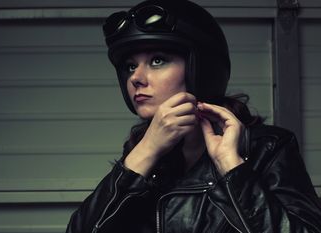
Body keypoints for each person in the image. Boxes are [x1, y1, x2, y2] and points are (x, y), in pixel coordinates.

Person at [66, 0, 321, 232]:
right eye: (130, 66)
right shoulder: (142, 156)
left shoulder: (267, 149)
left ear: (203, 68)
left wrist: (232, 168)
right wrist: (146, 152)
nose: (136, 77)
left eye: (157, 60)